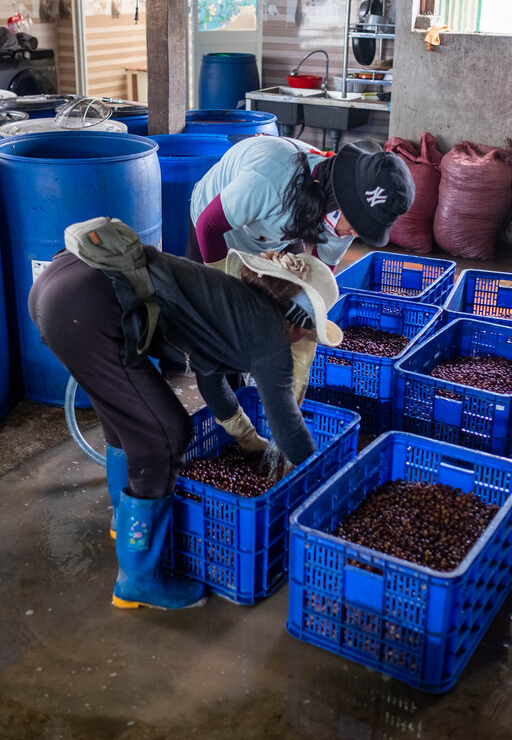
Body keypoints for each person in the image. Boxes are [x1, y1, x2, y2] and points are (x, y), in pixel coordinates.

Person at [28, 217, 343, 613]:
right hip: (86, 305)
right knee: (164, 436)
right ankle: (138, 581)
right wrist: (325, 483)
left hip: (62, 285)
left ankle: (124, 520)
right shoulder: (269, 339)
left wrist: (247, 438)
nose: (305, 339)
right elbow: (288, 425)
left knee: (127, 422)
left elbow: (211, 382)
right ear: (298, 322)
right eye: (309, 331)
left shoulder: (233, 304)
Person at [187, 136, 416, 271]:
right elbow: (209, 226)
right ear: (340, 202)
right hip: (217, 226)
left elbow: (319, 273)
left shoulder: (342, 219)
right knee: (208, 314)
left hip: (276, 229)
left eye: (366, 225)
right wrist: (226, 284)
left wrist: (308, 314)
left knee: (287, 297)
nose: (357, 234)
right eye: (358, 222)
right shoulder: (272, 177)